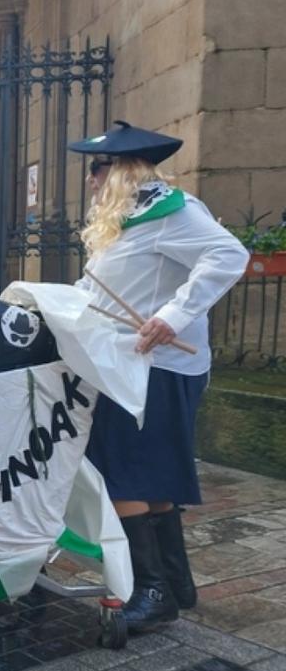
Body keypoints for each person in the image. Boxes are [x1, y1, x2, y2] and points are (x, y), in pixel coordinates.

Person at [70, 121, 248, 631]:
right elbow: (103, 284)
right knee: (152, 475)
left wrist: (171, 315)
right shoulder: (132, 217)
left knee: (122, 473)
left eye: (96, 168)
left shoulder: (175, 211)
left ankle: (151, 593)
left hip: (156, 367)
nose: (91, 178)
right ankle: (174, 580)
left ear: (125, 170)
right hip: (126, 363)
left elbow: (229, 255)